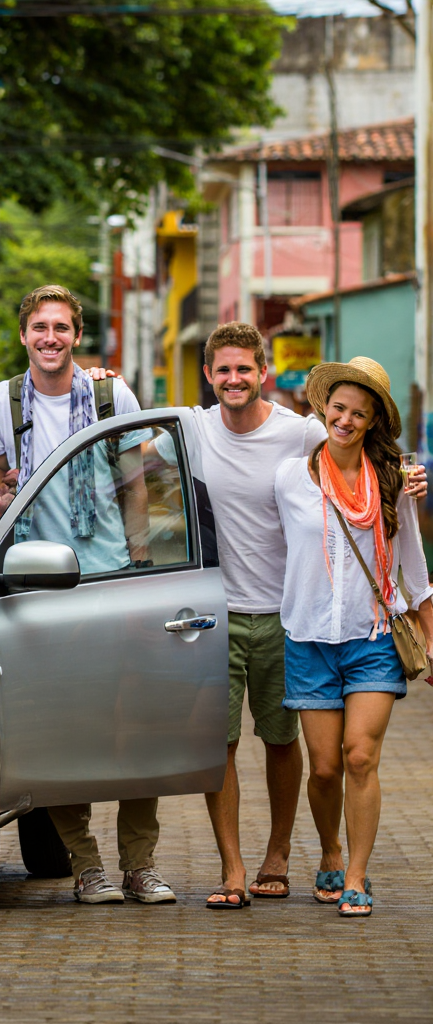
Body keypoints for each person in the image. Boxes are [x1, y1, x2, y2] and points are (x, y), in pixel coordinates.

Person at [91, 324, 425, 910]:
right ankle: (232, 868)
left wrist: (409, 476)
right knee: (218, 744)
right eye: (223, 369)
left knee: (285, 743)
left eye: (244, 368)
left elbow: (362, 460)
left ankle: (283, 856)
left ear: (262, 372)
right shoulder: (192, 429)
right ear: (209, 375)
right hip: (214, 614)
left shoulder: (301, 435)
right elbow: (131, 437)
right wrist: (102, 382)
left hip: (288, 616)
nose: (233, 379)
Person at [0, 283, 175, 905]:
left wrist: (140, 563)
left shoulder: (113, 394)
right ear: (23, 335)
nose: (50, 338)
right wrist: (2, 501)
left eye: (61, 327)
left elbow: (136, 482)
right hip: (42, 583)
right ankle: (87, 867)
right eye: (40, 327)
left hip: (111, 577)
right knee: (65, 728)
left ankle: (140, 865)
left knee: (132, 725)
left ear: (78, 335)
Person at [274, 357, 433, 918]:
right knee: (323, 767)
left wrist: (431, 641)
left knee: (360, 756)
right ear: (324, 410)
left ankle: (358, 877)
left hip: (372, 638)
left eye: (358, 413)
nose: (345, 419)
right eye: (339, 408)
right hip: (309, 637)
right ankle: (331, 850)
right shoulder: (290, 477)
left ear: (371, 422)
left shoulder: (393, 481)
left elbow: (413, 570)